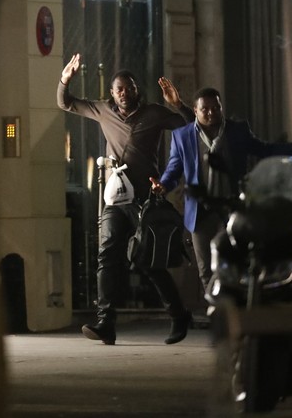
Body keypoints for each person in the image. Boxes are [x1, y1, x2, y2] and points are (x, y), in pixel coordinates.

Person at [58, 53, 195, 345]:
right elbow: (66, 102)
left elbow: (190, 128)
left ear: (137, 90)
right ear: (112, 92)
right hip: (115, 197)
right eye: (119, 88)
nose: (124, 92)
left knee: (147, 261)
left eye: (129, 87)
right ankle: (105, 322)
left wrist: (177, 104)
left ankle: (178, 314)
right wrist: (64, 79)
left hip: (146, 198)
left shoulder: (154, 113)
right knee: (107, 254)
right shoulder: (103, 110)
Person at [150, 86, 292, 292]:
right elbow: (174, 169)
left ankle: (237, 308)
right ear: (195, 111)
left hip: (232, 208)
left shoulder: (237, 131)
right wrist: (162, 185)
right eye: (205, 109)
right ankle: (215, 312)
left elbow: (265, 149)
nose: (211, 112)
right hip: (200, 211)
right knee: (205, 268)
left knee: (235, 265)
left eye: (216, 107)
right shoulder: (182, 136)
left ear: (221, 107)